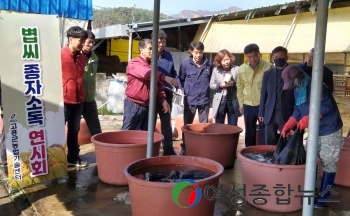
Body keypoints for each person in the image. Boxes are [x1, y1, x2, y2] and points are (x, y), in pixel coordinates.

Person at [280, 65, 343, 209]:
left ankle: (323, 198)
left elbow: (327, 106)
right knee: (309, 158)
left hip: (329, 129)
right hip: (314, 130)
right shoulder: (298, 90)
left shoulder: (317, 86)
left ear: (298, 78)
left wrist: (308, 118)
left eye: (292, 83)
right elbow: (298, 108)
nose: (292, 86)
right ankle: (309, 191)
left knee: (329, 161)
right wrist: (291, 122)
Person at [121, 38, 177, 131]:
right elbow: (147, 74)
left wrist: (163, 100)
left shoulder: (152, 66)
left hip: (148, 106)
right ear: (141, 49)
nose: (152, 51)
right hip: (134, 105)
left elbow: (158, 85)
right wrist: (165, 77)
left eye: (154, 49)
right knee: (127, 134)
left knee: (146, 135)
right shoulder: (134, 63)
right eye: (150, 49)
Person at [178, 41, 212, 155]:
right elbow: (180, 79)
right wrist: (180, 88)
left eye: (201, 52)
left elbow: (212, 80)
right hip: (190, 100)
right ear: (192, 52)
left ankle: (203, 147)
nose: (198, 55)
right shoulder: (185, 64)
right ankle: (185, 147)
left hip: (204, 100)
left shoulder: (209, 65)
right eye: (196, 52)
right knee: (187, 125)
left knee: (204, 126)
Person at [61, 26, 88, 167]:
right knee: (58, 130)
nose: (83, 44)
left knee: (74, 130)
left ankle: (72, 158)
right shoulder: (59, 55)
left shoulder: (83, 57)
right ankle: (56, 161)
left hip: (78, 99)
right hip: (62, 100)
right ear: (70, 39)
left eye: (84, 41)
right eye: (80, 40)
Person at [237, 43, 273, 147]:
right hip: (248, 105)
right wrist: (241, 104)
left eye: (255, 56)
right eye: (249, 57)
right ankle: (249, 153)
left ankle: (262, 154)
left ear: (259, 54)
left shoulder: (268, 67)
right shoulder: (242, 69)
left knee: (264, 131)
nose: (253, 59)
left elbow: (271, 90)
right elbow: (240, 87)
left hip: (263, 105)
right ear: (246, 56)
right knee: (249, 131)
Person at [258, 46, 295, 145]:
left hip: (286, 112)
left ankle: (285, 159)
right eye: (276, 57)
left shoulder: (293, 72)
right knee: (269, 139)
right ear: (273, 58)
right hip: (270, 111)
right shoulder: (268, 74)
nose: (278, 59)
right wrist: (261, 112)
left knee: (287, 139)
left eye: (281, 57)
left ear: (286, 58)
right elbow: (263, 94)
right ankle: (269, 157)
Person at [152, 30, 178, 155]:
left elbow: (173, 72)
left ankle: (168, 149)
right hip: (153, 94)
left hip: (167, 93)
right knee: (150, 122)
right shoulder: (149, 56)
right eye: (159, 42)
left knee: (166, 123)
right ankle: (150, 149)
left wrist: (177, 82)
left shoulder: (168, 55)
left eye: (163, 41)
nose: (161, 44)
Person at [210, 49, 241, 125]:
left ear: (230, 58)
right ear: (219, 61)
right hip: (220, 101)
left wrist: (233, 84)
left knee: (233, 126)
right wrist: (220, 85)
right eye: (223, 60)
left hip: (233, 100)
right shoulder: (216, 70)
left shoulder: (237, 69)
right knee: (219, 126)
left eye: (227, 59)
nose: (226, 62)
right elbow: (211, 85)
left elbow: (242, 84)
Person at [81, 30, 102, 137]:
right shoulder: (76, 56)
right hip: (76, 100)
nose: (90, 45)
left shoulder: (94, 58)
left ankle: (103, 152)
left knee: (96, 129)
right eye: (88, 42)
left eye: (93, 42)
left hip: (89, 99)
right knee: (73, 128)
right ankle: (72, 153)